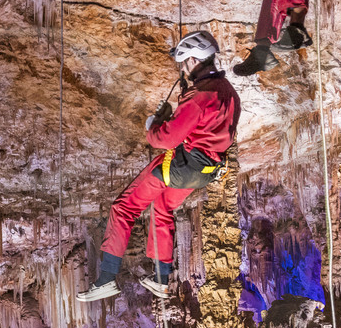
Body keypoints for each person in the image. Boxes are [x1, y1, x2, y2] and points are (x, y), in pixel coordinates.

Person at [77, 30, 239, 303]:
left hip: (182, 166)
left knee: (124, 207)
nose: (182, 68)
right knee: (163, 206)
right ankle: (162, 279)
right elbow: (210, 126)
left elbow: (166, 139)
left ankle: (106, 279)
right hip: (205, 172)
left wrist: (152, 127)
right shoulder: (228, 92)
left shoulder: (199, 95)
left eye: (183, 62)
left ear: (192, 60)